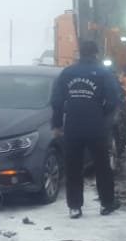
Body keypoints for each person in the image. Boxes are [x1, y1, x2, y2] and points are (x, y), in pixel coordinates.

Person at [50, 39, 122, 218]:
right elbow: (114, 99)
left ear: (79, 54)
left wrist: (57, 124)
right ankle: (107, 203)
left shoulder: (68, 72)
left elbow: (57, 101)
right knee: (102, 166)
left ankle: (75, 207)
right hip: (95, 126)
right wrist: (101, 114)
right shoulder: (103, 73)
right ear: (96, 54)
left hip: (73, 126)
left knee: (73, 166)